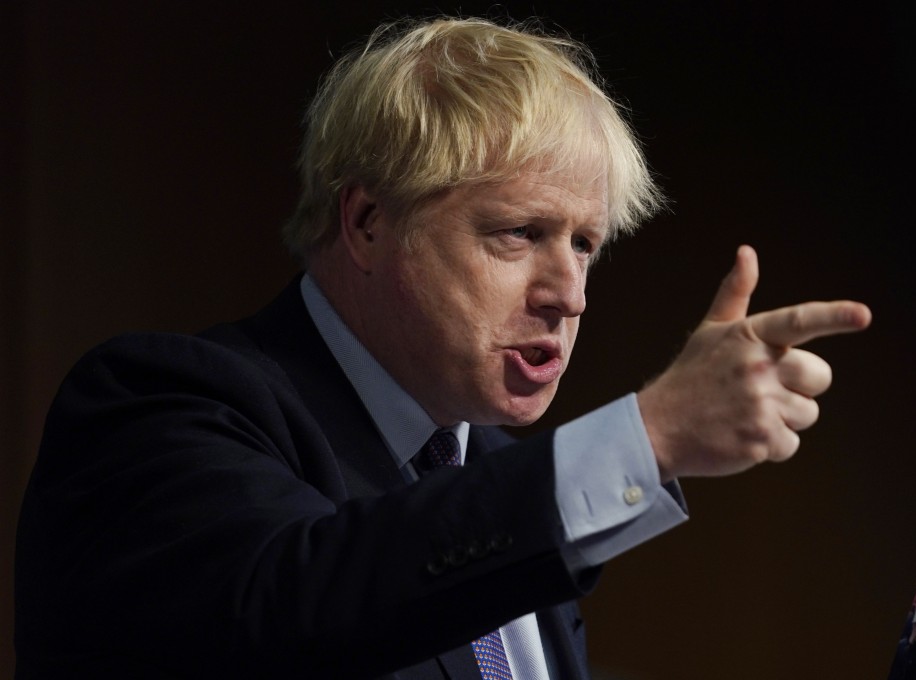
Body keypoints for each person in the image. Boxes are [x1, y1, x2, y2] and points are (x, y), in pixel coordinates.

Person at [14, 16, 871, 679]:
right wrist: (646, 437)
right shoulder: (161, 407)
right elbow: (299, 610)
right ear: (368, 222)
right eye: (519, 233)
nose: (568, 295)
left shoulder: (496, 479)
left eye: (584, 245)